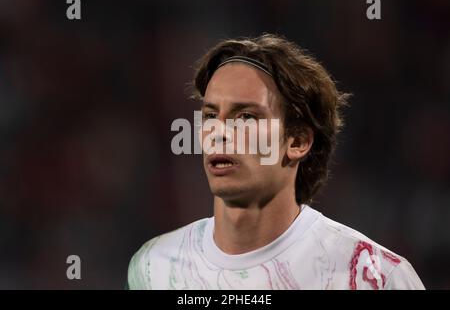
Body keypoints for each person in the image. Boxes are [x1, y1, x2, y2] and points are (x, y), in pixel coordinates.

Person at [127, 34, 424, 290]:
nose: (220, 133)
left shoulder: (373, 276)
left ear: (297, 141)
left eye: (246, 117)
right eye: (209, 115)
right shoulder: (154, 266)